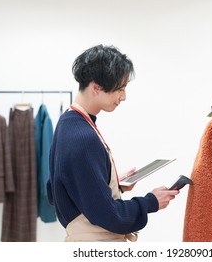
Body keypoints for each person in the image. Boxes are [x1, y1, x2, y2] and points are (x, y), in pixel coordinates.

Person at [47, 44, 179, 242]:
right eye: (120, 89)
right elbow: (110, 216)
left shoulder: (68, 123)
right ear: (96, 87)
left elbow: (56, 190)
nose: (123, 97)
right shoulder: (83, 137)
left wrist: (111, 183)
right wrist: (151, 202)